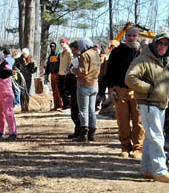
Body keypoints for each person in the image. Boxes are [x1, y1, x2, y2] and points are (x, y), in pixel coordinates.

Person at [125, 31, 169, 183]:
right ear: (154, 43)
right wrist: (149, 89)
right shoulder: (143, 59)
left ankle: (147, 169)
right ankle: (160, 171)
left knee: (151, 138)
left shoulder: (165, 61)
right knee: (157, 137)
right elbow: (130, 78)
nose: (163, 46)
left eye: (166, 43)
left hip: (161, 104)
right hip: (148, 104)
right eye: (160, 43)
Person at [107, 27, 144, 158]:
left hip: (138, 91)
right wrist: (110, 89)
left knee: (138, 120)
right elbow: (109, 72)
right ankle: (125, 146)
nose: (131, 38)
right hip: (120, 90)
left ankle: (138, 148)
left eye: (134, 35)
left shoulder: (143, 52)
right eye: (129, 35)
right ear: (125, 36)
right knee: (122, 120)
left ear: (138, 37)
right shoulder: (117, 52)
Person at [71, 38, 101, 142]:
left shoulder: (85, 55)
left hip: (84, 85)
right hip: (95, 84)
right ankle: (92, 134)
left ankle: (83, 134)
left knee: (83, 110)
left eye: (79, 45)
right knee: (92, 110)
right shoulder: (96, 54)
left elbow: (82, 71)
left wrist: (73, 70)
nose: (79, 47)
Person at [0, 53, 16, 139]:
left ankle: (13, 132)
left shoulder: (5, 68)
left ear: (1, 60)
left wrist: (12, 72)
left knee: (8, 113)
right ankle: (0, 131)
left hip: (6, 94)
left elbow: (9, 72)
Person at [14, 48, 37, 112]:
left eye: (25, 54)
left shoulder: (31, 60)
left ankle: (27, 106)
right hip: (21, 78)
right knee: (22, 92)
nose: (24, 55)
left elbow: (35, 68)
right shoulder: (19, 60)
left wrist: (31, 71)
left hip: (28, 78)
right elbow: (15, 67)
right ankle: (22, 107)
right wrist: (18, 71)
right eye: (23, 54)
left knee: (27, 93)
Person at [46, 41, 63, 110]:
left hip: (59, 74)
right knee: (54, 90)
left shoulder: (60, 54)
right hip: (52, 75)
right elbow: (48, 65)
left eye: (54, 46)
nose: (53, 48)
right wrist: (46, 73)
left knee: (59, 90)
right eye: (51, 46)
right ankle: (56, 105)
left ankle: (61, 105)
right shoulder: (50, 56)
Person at [58, 38, 73, 109]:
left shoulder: (69, 52)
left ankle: (68, 105)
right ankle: (65, 104)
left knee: (66, 90)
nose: (61, 44)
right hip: (60, 73)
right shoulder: (61, 53)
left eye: (63, 42)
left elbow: (72, 61)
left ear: (66, 43)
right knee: (61, 90)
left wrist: (69, 69)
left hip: (66, 74)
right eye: (61, 42)